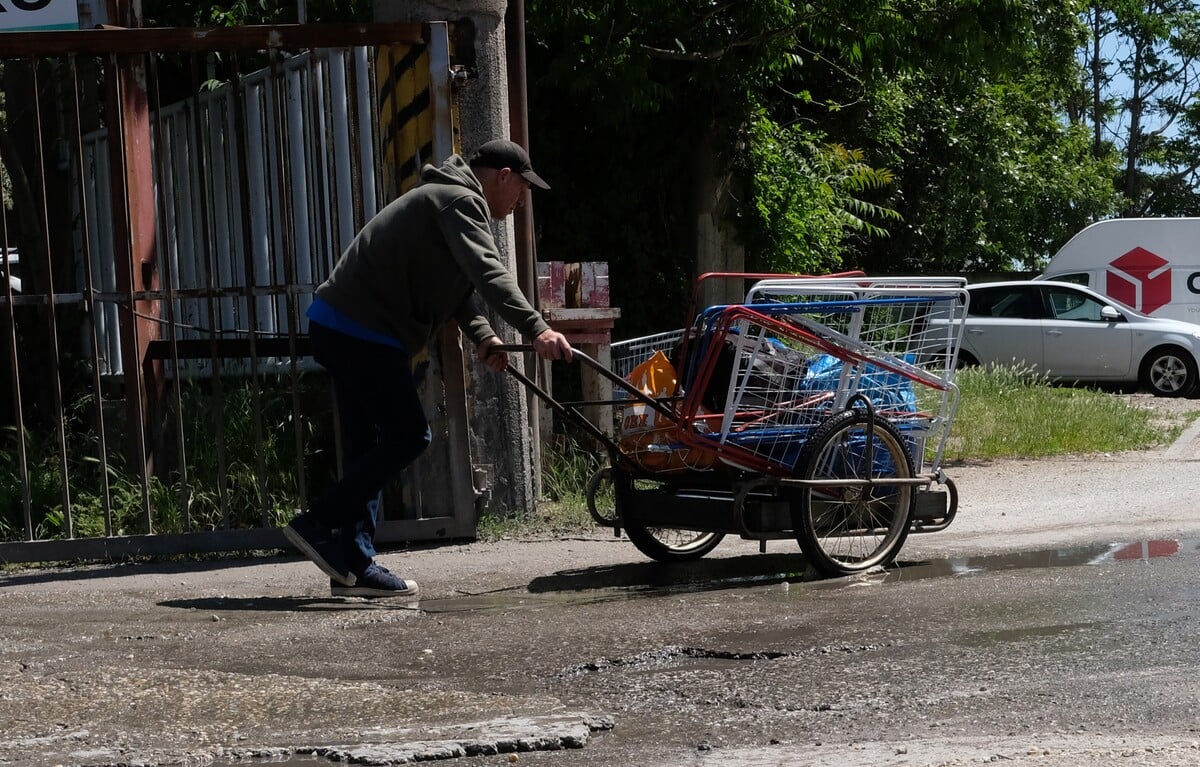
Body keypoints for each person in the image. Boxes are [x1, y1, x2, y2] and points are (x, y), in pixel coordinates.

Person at [284, 139, 572, 598]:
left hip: (341, 325)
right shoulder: (459, 200)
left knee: (369, 448)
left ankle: (353, 569)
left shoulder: (447, 200)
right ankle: (317, 524)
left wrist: (486, 337)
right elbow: (489, 273)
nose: (520, 202)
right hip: (362, 329)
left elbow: (459, 292)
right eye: (521, 190)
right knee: (408, 435)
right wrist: (537, 329)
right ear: (503, 177)